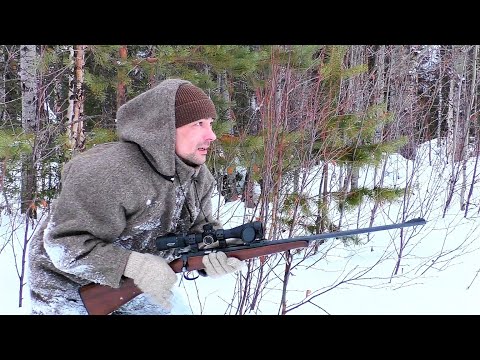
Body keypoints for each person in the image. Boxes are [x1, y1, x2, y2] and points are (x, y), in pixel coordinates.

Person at [27, 78, 244, 315]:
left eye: (210, 123)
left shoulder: (197, 176)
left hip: (133, 286)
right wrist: (134, 265)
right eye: (198, 124)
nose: (211, 135)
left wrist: (213, 253)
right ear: (165, 129)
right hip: (68, 289)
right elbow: (64, 245)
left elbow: (200, 230)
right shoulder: (109, 172)